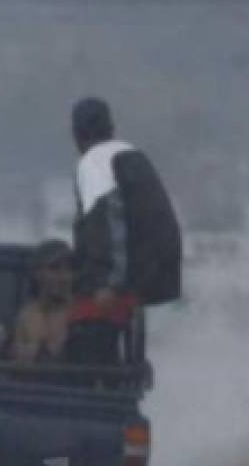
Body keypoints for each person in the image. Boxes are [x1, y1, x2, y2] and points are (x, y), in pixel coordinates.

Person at [68, 97, 182, 365]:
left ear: (75, 134)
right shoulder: (130, 155)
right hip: (150, 277)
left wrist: (111, 283)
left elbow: (110, 225)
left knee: (88, 349)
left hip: (120, 285)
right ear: (111, 127)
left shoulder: (96, 162)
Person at [13, 240, 75, 363]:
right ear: (37, 273)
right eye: (55, 268)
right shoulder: (26, 315)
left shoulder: (80, 315)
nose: (64, 277)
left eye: (69, 269)